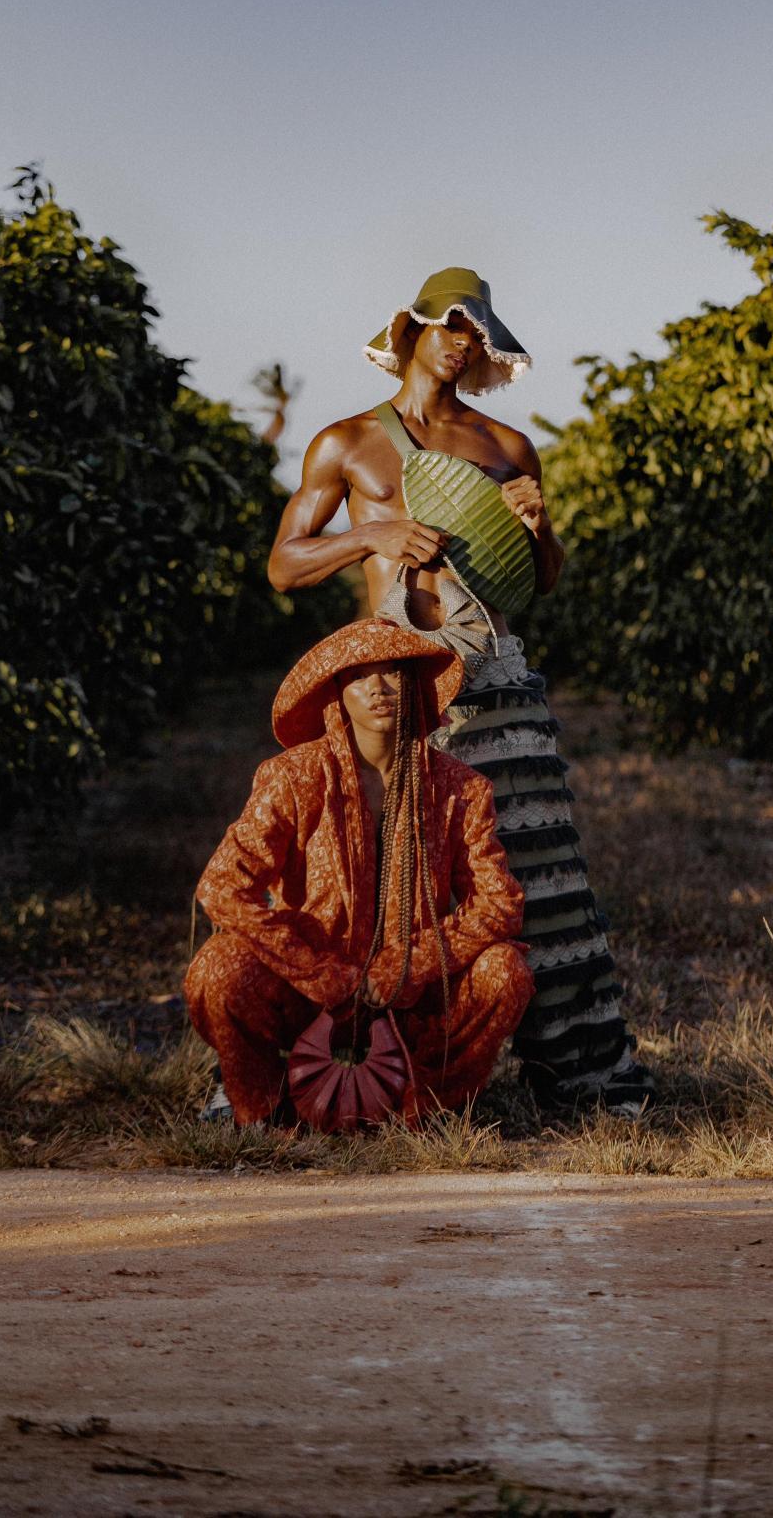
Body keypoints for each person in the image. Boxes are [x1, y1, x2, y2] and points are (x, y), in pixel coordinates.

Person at [267, 267, 651, 1114]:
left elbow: (540, 582)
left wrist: (540, 530)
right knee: (380, 878)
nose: (459, 340)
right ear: (407, 330)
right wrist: (371, 533)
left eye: (475, 331)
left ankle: (584, 1075)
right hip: (399, 690)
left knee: (540, 878)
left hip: (502, 692)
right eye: (446, 323)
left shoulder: (509, 446)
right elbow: (283, 564)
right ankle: (356, 1074)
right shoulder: (346, 443)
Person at [184, 618, 533, 1127]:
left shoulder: (462, 789)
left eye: (392, 670)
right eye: (359, 675)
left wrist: (406, 967)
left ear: (413, 682)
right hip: (307, 996)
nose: (377, 687)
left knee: (506, 972)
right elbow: (222, 887)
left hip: (413, 1000)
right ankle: (260, 1107)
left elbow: (500, 904)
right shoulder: (292, 777)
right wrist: (318, 971)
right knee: (219, 967)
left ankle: (426, 1108)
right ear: (336, 693)